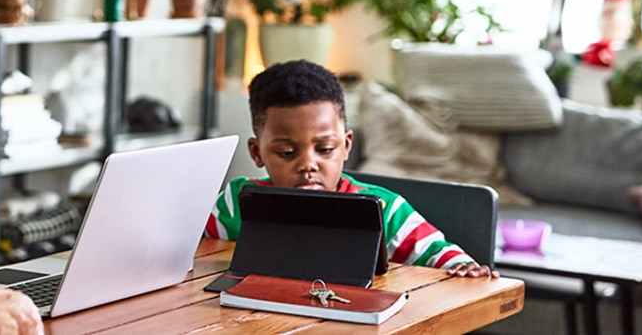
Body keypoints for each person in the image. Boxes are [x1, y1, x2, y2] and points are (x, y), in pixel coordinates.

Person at [204, 60, 498, 278]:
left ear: (346, 146)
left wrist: (463, 268)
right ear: (257, 153)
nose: (308, 164)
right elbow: (188, 249)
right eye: (286, 153)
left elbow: (444, 258)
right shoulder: (236, 201)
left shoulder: (385, 210)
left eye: (325, 149)